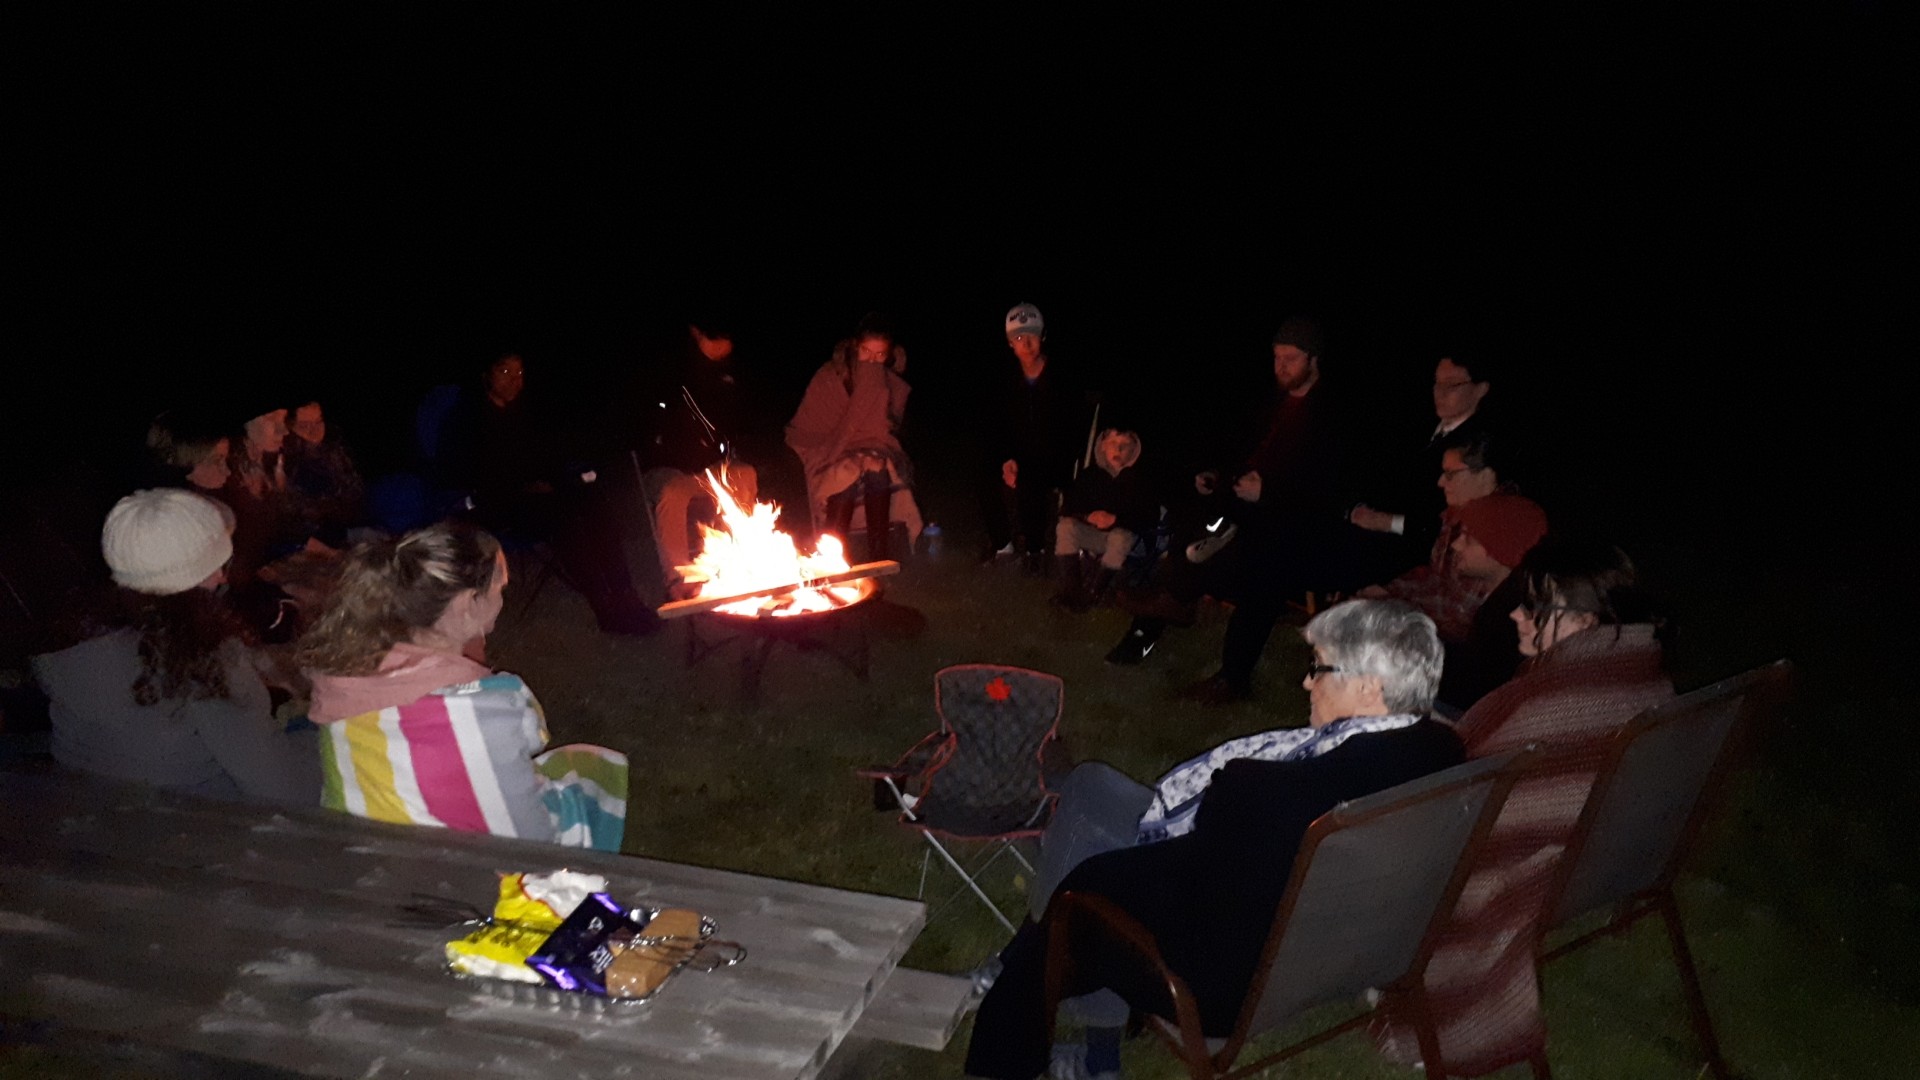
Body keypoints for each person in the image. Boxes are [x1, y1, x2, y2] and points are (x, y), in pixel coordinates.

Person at [966, 599, 1465, 1080]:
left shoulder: (1266, 792)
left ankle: (1018, 1025)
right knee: (1092, 792)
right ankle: (1082, 1036)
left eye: (1318, 667)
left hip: (1223, 989)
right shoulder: (1441, 754)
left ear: (1369, 688)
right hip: (1330, 956)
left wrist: (1092, 886)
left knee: (1081, 883)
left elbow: (1162, 877)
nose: (1306, 681)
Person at [1373, 537, 1673, 1076]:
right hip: (1605, 863)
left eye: (1534, 607)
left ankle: (1403, 971)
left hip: (1534, 871)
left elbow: (1459, 785)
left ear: (1584, 622)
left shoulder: (1548, 701)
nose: (1516, 614)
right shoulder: (1642, 675)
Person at [297, 522, 628, 850]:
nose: (502, 600)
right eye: (499, 589)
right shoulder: (480, 713)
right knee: (591, 773)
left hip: (359, 851)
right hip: (447, 869)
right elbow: (533, 839)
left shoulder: (345, 681)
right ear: (468, 603)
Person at [1109, 317, 1351, 704]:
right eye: (1276, 357)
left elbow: (1330, 493)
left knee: (1264, 564)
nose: (1281, 366)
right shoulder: (1277, 404)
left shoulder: (1331, 416)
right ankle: (1164, 610)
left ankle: (1231, 677)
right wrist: (1219, 477)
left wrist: (1267, 492)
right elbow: (1248, 454)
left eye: (1290, 358)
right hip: (1255, 510)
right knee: (1191, 508)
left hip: (1301, 527)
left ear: (1314, 359)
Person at [31, 489, 318, 803]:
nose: (221, 576)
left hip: (90, 811)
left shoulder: (72, 639)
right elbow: (280, 786)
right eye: (214, 565)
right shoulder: (204, 654)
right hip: (197, 820)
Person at [442, 352, 659, 635]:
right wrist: (526, 487)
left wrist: (563, 479)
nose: (515, 381)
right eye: (505, 372)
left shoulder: (524, 412)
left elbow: (547, 457)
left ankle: (626, 595)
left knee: (593, 501)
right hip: (498, 505)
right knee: (565, 518)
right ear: (487, 375)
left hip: (539, 493)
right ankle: (604, 606)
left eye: (520, 373)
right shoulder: (470, 419)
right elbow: (472, 478)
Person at [632, 316, 775, 598]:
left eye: (727, 342)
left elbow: (736, 423)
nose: (723, 348)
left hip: (709, 467)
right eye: (715, 341)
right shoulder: (671, 369)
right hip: (667, 468)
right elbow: (656, 425)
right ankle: (678, 579)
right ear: (697, 334)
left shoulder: (728, 373)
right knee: (673, 493)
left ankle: (737, 561)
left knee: (744, 474)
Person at [1344, 352, 1497, 585]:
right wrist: (1358, 506)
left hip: (1424, 549)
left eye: (1452, 385)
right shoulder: (1417, 426)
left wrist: (1387, 521)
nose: (1440, 392)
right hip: (1380, 529)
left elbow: (1447, 519)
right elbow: (1379, 472)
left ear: (1480, 389)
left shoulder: (1478, 446)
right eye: (1437, 383)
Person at [785, 313, 922, 562]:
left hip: (874, 449)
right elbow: (814, 425)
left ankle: (879, 558)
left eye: (880, 355)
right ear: (855, 347)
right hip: (830, 447)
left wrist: (871, 450)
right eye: (866, 352)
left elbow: (887, 431)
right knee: (846, 473)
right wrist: (851, 453)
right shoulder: (832, 376)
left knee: (877, 468)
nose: (872, 360)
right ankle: (833, 557)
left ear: (889, 355)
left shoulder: (890, 381)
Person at [1359, 432, 1510, 642]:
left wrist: (1394, 606)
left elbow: (1464, 615)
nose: (1440, 482)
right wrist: (1388, 591)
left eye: (1450, 474)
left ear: (1486, 476)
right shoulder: (1456, 514)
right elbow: (1435, 576)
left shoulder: (1502, 526)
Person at [981, 303, 1086, 572]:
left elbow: (1073, 429)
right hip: (1018, 455)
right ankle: (1003, 545)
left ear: (1043, 337)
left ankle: (1034, 551)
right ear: (1010, 343)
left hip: (1056, 458)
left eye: (1032, 336)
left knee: (1031, 478)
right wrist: (1006, 459)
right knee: (985, 474)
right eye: (1019, 338)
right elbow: (997, 427)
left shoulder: (1062, 378)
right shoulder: (1005, 380)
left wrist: (1037, 457)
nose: (1026, 344)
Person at [1432, 492, 1550, 713]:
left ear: (1501, 549)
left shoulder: (1509, 616)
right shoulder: (1497, 596)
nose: (1456, 545)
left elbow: (1473, 690)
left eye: (1469, 539)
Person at [1051, 428, 1154, 612]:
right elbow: (1068, 507)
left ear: (1133, 450)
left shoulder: (1140, 481)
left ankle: (1094, 594)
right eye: (1113, 443)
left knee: (1120, 537)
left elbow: (1148, 517)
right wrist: (1087, 516)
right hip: (1092, 534)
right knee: (1066, 527)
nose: (1118, 449)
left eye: (1125, 445)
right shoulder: (1089, 475)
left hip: (1122, 541)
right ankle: (1071, 589)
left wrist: (1116, 520)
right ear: (1103, 446)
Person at [284, 398, 367, 547]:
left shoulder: (333, 448)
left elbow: (354, 491)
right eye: (304, 426)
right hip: (313, 545)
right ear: (288, 427)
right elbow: (295, 520)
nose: (314, 431)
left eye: (318, 422)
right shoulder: (286, 464)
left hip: (344, 532)